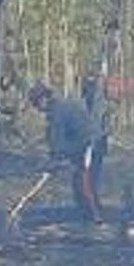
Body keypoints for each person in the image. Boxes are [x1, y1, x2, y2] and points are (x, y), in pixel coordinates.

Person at [29, 82, 100, 223]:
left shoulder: (58, 111)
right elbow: (56, 141)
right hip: (81, 145)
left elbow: (58, 141)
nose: (37, 109)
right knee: (79, 186)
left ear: (43, 99)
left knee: (84, 185)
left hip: (90, 145)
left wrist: (55, 160)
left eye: (37, 104)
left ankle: (97, 220)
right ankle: (87, 218)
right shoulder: (57, 109)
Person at [81, 74, 110, 203]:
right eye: (87, 86)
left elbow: (105, 126)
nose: (89, 89)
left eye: (92, 86)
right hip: (85, 145)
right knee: (84, 175)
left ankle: (93, 202)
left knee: (93, 174)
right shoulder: (81, 104)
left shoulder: (102, 105)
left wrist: (100, 138)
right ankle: (87, 202)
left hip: (98, 144)